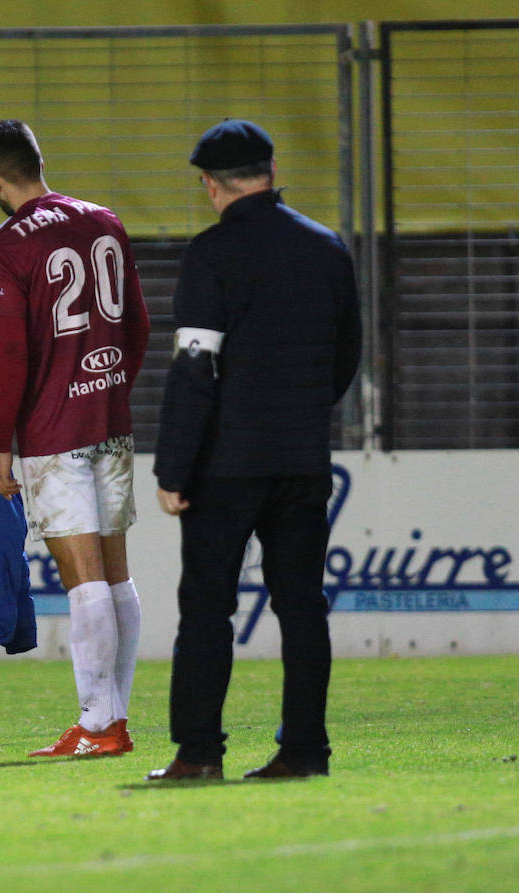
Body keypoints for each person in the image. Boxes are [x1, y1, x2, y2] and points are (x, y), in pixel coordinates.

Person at [146, 119, 361, 781]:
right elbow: (345, 358)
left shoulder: (211, 255)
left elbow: (194, 368)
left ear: (211, 185)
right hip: (302, 458)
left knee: (209, 606)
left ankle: (200, 752)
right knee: (302, 605)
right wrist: (297, 417)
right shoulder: (329, 249)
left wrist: (174, 466)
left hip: (225, 464)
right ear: (269, 171)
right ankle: (304, 750)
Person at [0, 120, 150, 757]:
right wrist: (109, 389)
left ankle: (99, 726)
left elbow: (12, 357)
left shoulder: (7, 248)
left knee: (84, 583)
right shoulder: (104, 220)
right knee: (118, 575)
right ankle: (113, 722)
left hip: (52, 431)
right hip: (110, 420)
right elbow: (138, 325)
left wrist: (2, 441)